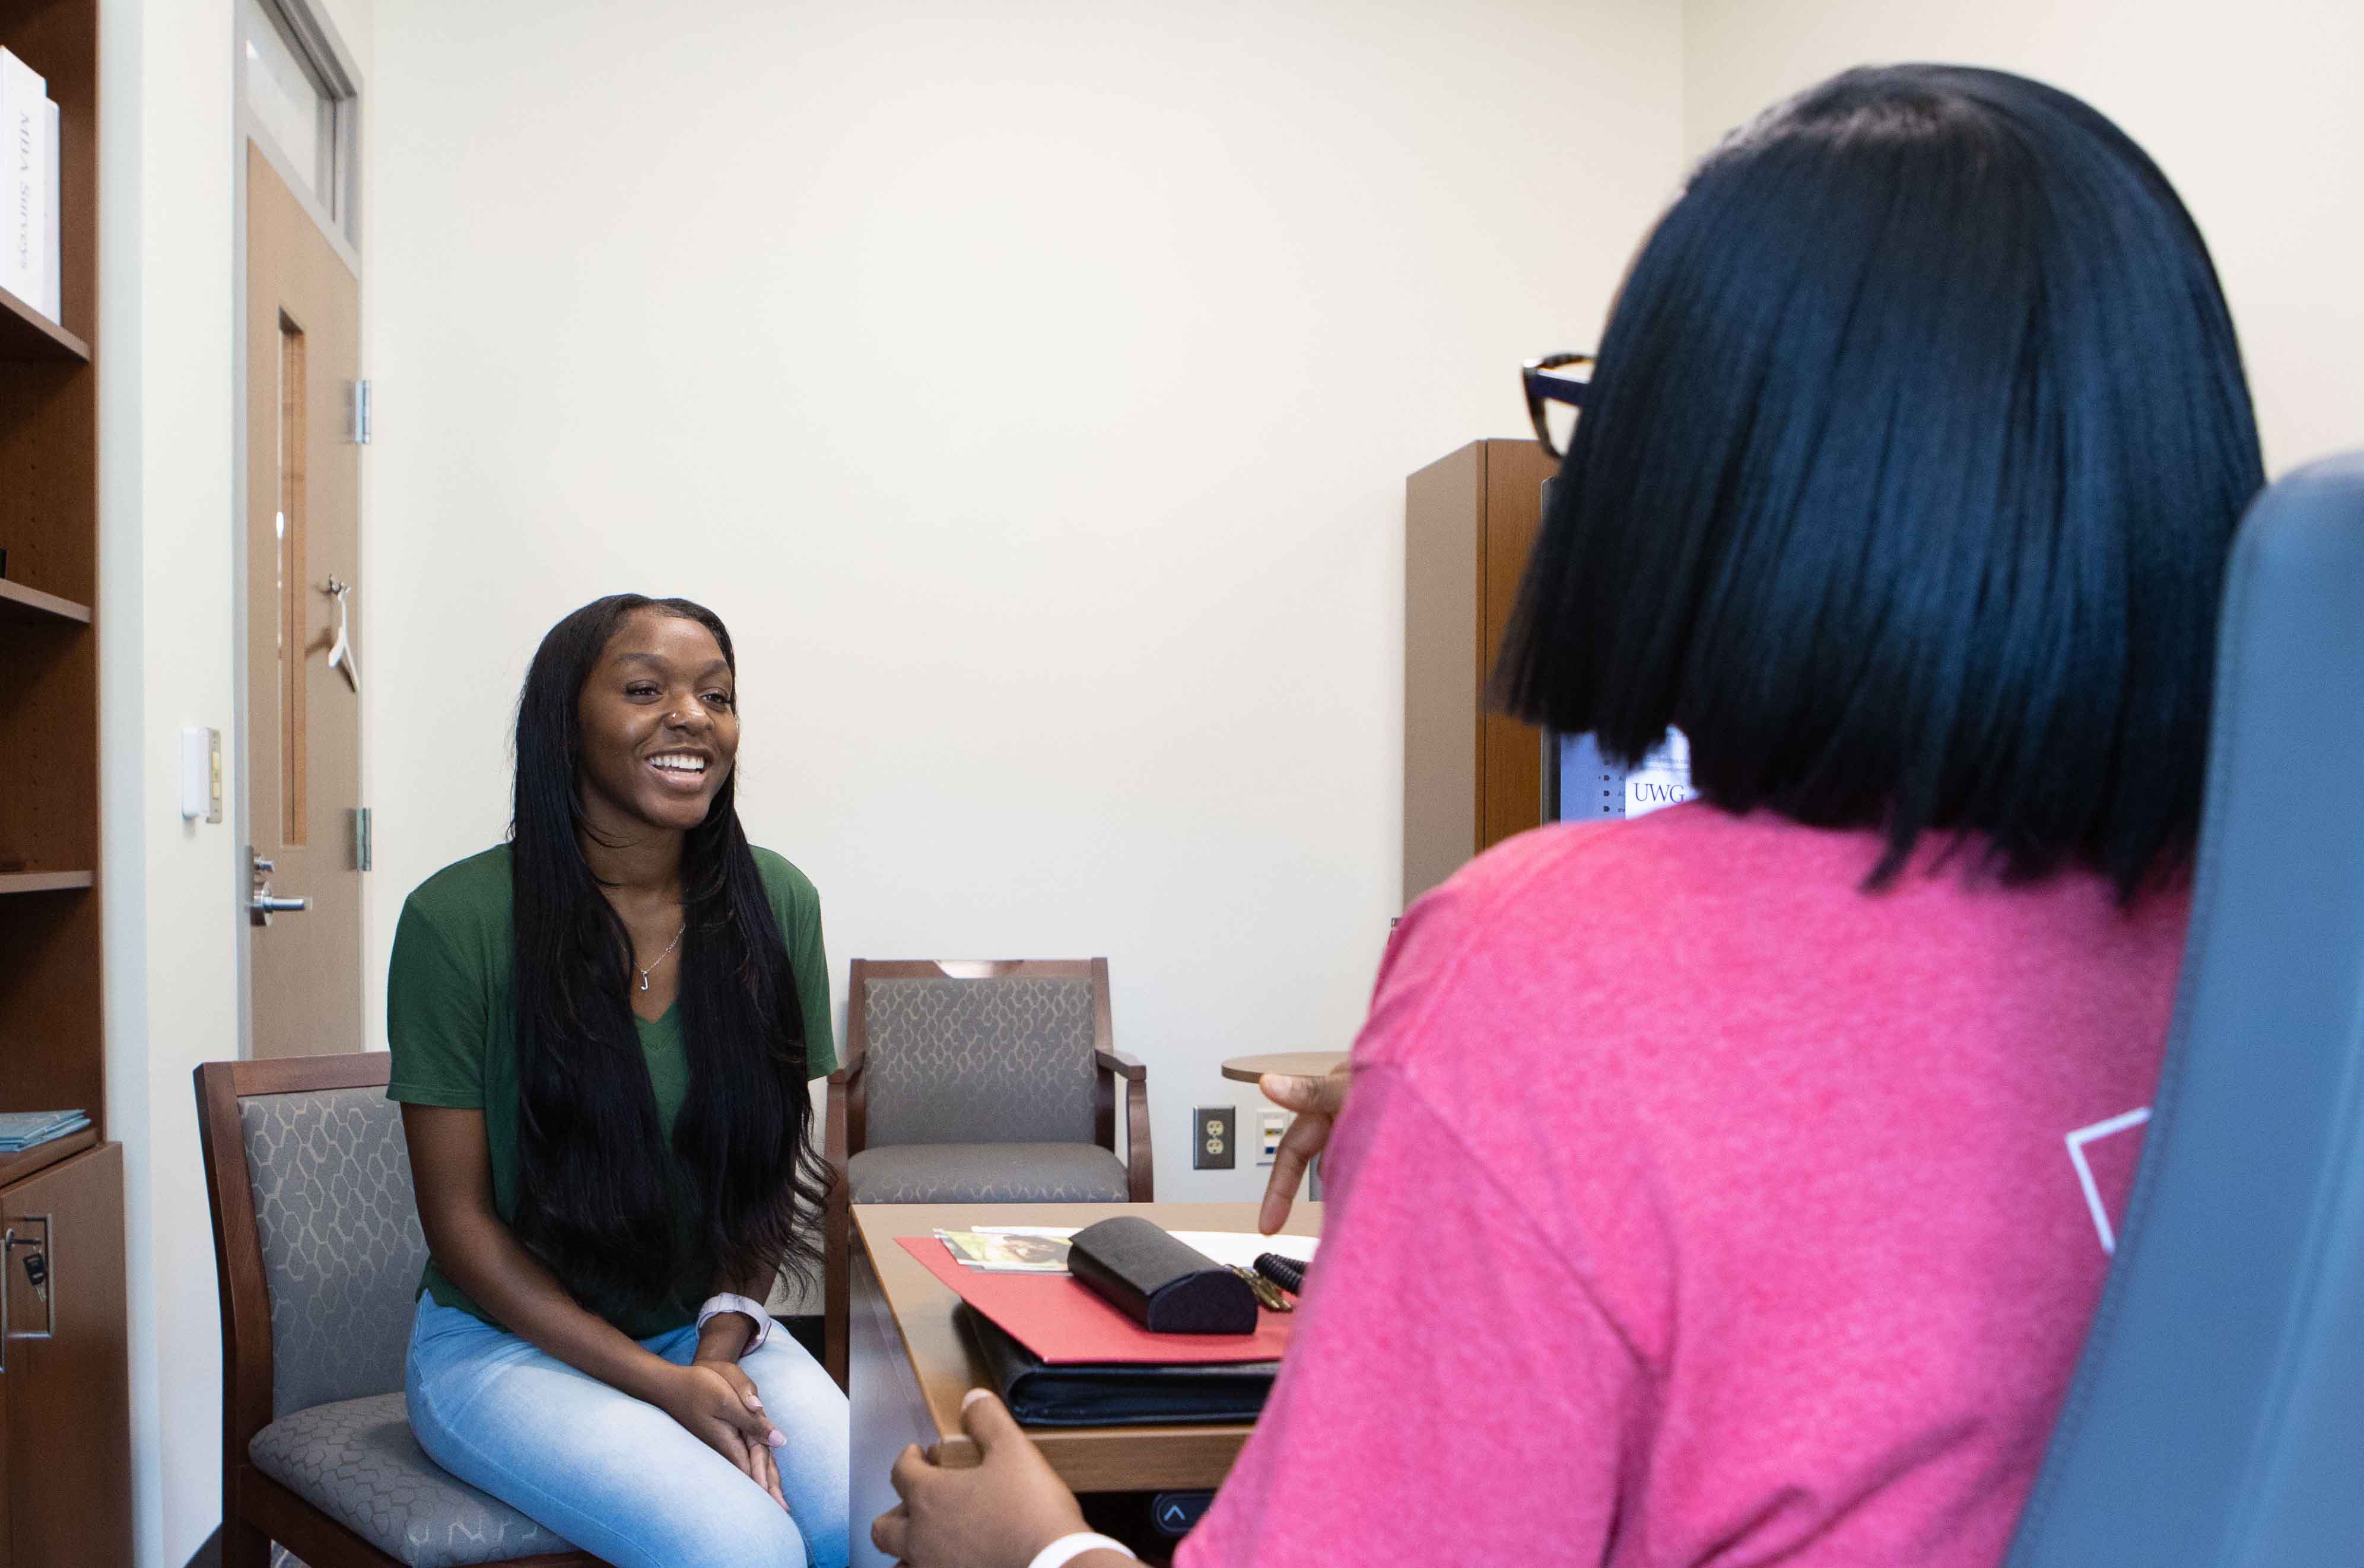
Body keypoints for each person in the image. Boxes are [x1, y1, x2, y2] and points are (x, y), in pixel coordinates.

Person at [873, 62, 2263, 1568]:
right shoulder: (2276, 931)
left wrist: (1035, 1554)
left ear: (1710, 480)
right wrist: (1477, 1134)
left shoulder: (1552, 963)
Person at [388, 594, 850, 1568]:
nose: (692, 717)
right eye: (647, 689)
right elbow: (460, 1230)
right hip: (501, 1350)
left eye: (716, 696)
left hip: (704, 1333)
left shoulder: (778, 905)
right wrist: (655, 1383)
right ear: (566, 722)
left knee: (871, 1517)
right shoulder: (455, 919)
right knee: (746, 1550)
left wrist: (712, 1356)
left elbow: (759, 1176)